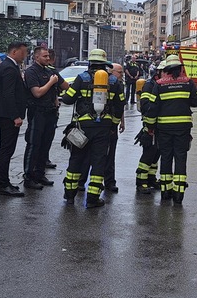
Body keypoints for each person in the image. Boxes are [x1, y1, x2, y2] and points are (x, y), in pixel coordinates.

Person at [61, 49, 124, 207]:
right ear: (105, 64)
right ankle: (92, 199)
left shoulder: (81, 78)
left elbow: (68, 99)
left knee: (76, 159)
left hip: (82, 126)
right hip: (103, 127)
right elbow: (120, 105)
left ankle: (70, 196)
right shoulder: (114, 82)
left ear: (90, 63)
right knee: (99, 161)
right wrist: (114, 124)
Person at [145, 54, 197, 204]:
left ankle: (166, 192)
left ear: (167, 69)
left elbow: (152, 108)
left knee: (166, 158)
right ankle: (178, 195)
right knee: (180, 158)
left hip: (163, 128)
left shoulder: (159, 84)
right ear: (179, 68)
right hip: (183, 128)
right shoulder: (188, 83)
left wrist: (149, 127)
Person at [21, 47, 68, 190]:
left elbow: (65, 86)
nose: (48, 58)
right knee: (34, 144)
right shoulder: (31, 72)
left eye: (48, 56)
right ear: (36, 57)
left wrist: (57, 81)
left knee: (45, 144)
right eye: (45, 56)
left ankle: (40, 174)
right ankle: (28, 177)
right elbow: (37, 93)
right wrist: (51, 82)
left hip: (51, 113)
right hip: (37, 112)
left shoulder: (51, 71)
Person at [0, 41, 29, 197]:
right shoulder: (8, 68)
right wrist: (15, 116)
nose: (26, 55)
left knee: (6, 149)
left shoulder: (9, 66)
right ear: (14, 52)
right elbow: (8, 94)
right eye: (24, 52)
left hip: (5, 113)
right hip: (7, 115)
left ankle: (1, 181)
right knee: (6, 149)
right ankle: (2, 184)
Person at [80, 62, 125, 193]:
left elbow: (119, 106)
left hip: (103, 124)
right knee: (95, 155)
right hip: (107, 125)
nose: (121, 75)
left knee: (109, 155)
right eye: (119, 72)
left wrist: (121, 121)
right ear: (111, 72)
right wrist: (115, 123)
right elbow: (119, 104)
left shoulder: (116, 84)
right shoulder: (110, 83)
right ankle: (88, 182)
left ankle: (108, 181)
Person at [135, 61, 166, 194]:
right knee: (148, 154)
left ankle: (151, 178)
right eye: (166, 72)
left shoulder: (163, 85)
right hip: (150, 125)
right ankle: (141, 181)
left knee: (156, 154)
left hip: (160, 125)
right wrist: (149, 127)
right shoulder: (150, 85)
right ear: (159, 72)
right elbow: (145, 106)